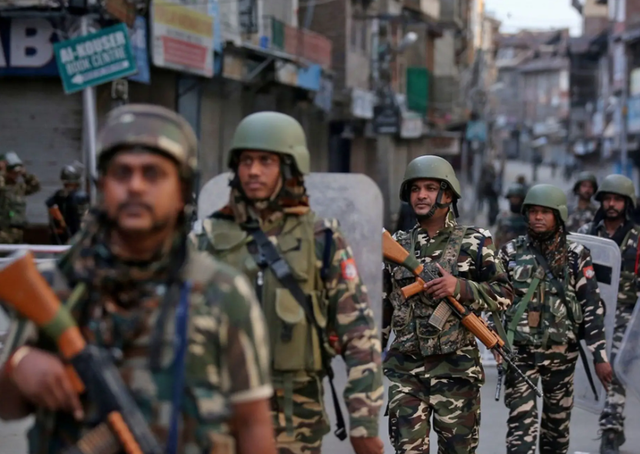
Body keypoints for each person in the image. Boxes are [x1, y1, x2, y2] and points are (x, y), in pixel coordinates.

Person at [0, 104, 277, 454]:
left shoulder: (222, 293)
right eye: (121, 173)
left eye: (153, 174)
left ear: (181, 192)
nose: (135, 186)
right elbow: (7, 407)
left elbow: (253, 423)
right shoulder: (59, 284)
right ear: (102, 187)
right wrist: (21, 365)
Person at [192, 112, 384, 454]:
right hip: (219, 415)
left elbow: (359, 334)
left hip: (296, 421)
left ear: (290, 167)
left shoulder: (322, 239)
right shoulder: (207, 239)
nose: (253, 171)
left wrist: (363, 421)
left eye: (266, 161)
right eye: (246, 161)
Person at [382, 155, 514, 453]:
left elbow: (504, 294)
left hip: (457, 372)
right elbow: (384, 306)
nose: (421, 195)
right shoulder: (396, 244)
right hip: (407, 371)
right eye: (415, 189)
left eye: (430, 188)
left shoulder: (475, 241)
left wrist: (460, 287)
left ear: (448, 195)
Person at [497, 184, 612, 454]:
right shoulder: (510, 253)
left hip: (562, 356)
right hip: (520, 355)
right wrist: (495, 342)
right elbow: (493, 302)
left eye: (545, 212)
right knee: (520, 432)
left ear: (558, 215)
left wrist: (599, 356)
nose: (538, 217)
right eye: (533, 211)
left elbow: (592, 307)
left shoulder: (576, 254)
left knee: (556, 432)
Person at [578, 174, 639, 454]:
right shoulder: (588, 233)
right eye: (607, 199)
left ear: (628, 203)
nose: (612, 204)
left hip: (627, 315)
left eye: (617, 199)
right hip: (592, 312)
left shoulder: (637, 237)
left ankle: (611, 430)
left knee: (613, 364)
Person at [0, 151, 41, 244]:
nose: (15, 175)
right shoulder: (2, 185)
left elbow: (35, 186)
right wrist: (2, 172)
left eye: (17, 173)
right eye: (13, 172)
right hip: (3, 232)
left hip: (17, 233)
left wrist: (25, 174)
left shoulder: (19, 188)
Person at [45, 164, 90, 244]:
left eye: (69, 184)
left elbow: (82, 218)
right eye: (66, 184)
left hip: (75, 234)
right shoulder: (59, 195)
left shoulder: (79, 197)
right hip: (61, 234)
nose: (67, 186)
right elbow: (49, 203)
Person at [494, 182, 528, 249]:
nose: (514, 200)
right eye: (512, 198)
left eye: (517, 198)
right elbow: (497, 238)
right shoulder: (503, 217)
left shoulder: (528, 218)